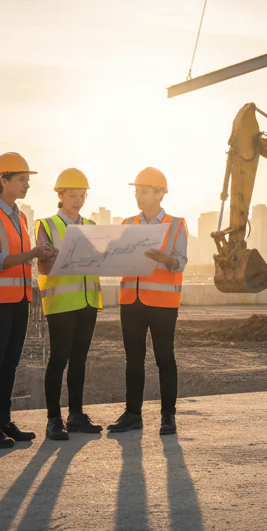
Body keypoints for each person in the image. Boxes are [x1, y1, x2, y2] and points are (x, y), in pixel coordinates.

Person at [0, 152, 56, 448]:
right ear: (2, 181)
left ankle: (3, 422)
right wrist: (33, 254)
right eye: (21, 179)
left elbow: (20, 258)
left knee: (9, 363)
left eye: (27, 180)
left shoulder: (19, 216)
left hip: (18, 298)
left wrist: (41, 254)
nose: (26, 185)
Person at [108, 167, 188, 436]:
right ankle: (133, 415)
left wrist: (167, 260)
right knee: (133, 359)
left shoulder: (177, 224)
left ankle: (168, 417)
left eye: (143, 191)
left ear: (160, 194)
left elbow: (181, 262)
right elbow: (117, 258)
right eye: (136, 191)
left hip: (163, 303)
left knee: (165, 358)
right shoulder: (127, 223)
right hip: (131, 300)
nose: (138, 196)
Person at [35, 168, 104, 440]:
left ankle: (76, 415)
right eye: (73, 195)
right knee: (58, 360)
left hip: (87, 301)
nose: (78, 200)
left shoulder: (92, 226)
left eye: (82, 195)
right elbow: (43, 266)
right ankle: (54, 419)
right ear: (60, 196)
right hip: (61, 303)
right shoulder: (47, 225)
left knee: (79, 360)